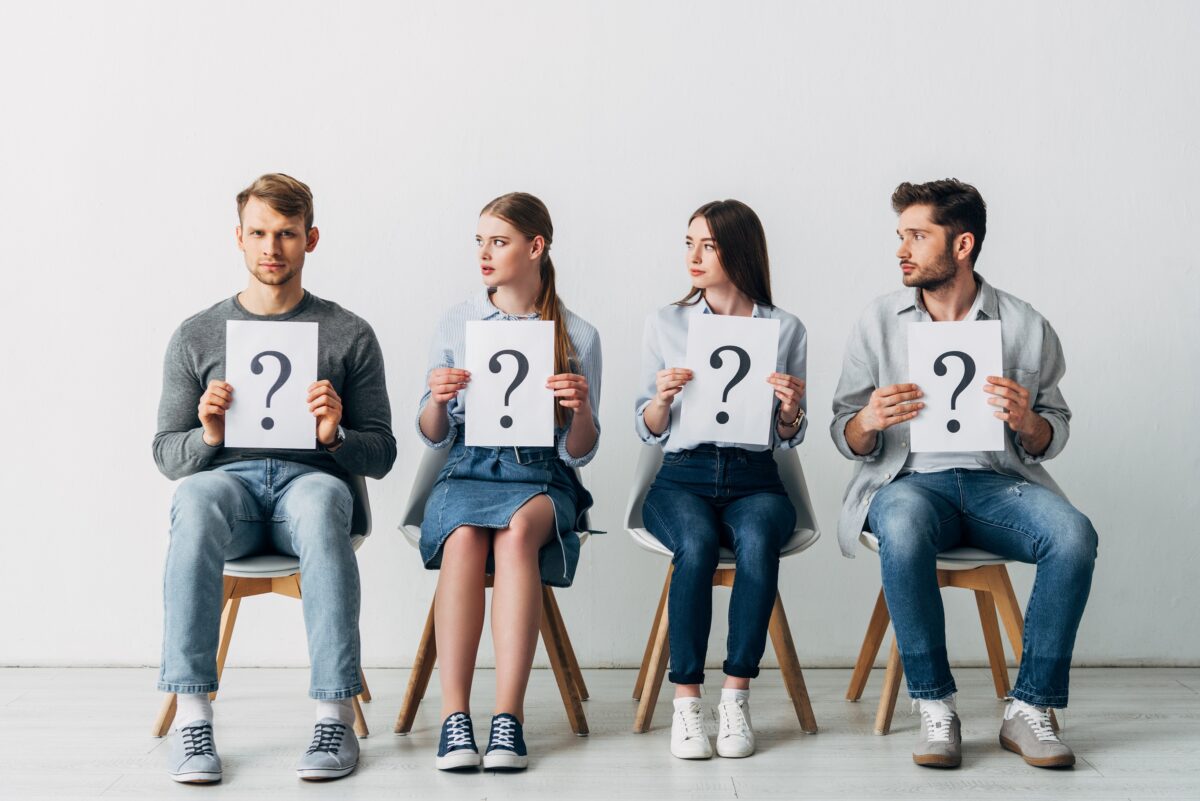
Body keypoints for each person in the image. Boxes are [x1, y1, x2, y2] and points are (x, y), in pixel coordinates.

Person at [831, 179, 1098, 769]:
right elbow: (844, 431)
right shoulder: (878, 322)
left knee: (1074, 535)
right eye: (901, 236)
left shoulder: (1026, 325)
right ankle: (935, 705)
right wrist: (869, 419)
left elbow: (1055, 427)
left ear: (962, 245)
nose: (902, 249)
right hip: (907, 484)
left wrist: (1029, 422)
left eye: (918, 236)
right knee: (900, 529)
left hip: (998, 485)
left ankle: (1030, 709)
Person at [152, 173, 396, 783]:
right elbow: (165, 454)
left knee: (319, 501)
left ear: (310, 239)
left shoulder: (349, 333)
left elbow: (383, 454)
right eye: (259, 233)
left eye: (286, 234)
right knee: (196, 493)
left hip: (308, 486)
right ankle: (193, 718)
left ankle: (334, 715)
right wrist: (208, 434)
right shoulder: (196, 334)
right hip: (229, 489)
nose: (272, 247)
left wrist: (336, 434)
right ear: (238, 238)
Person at [416, 192, 601, 772]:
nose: (484, 254)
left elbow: (583, 452)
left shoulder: (578, 334)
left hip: (542, 469)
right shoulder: (458, 318)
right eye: (480, 242)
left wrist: (582, 408)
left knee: (519, 532)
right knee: (467, 534)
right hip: (469, 463)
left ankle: (507, 719)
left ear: (535, 247)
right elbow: (430, 433)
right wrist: (438, 398)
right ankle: (454, 719)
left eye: (498, 241)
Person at [634, 199, 808, 760]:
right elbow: (649, 429)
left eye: (708, 245)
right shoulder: (666, 323)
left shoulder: (784, 328)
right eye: (689, 243)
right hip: (682, 476)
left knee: (758, 542)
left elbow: (788, 436)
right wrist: (661, 400)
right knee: (697, 544)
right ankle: (686, 704)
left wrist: (789, 409)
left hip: (756, 478)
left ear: (739, 251)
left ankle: (736, 695)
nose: (694, 256)